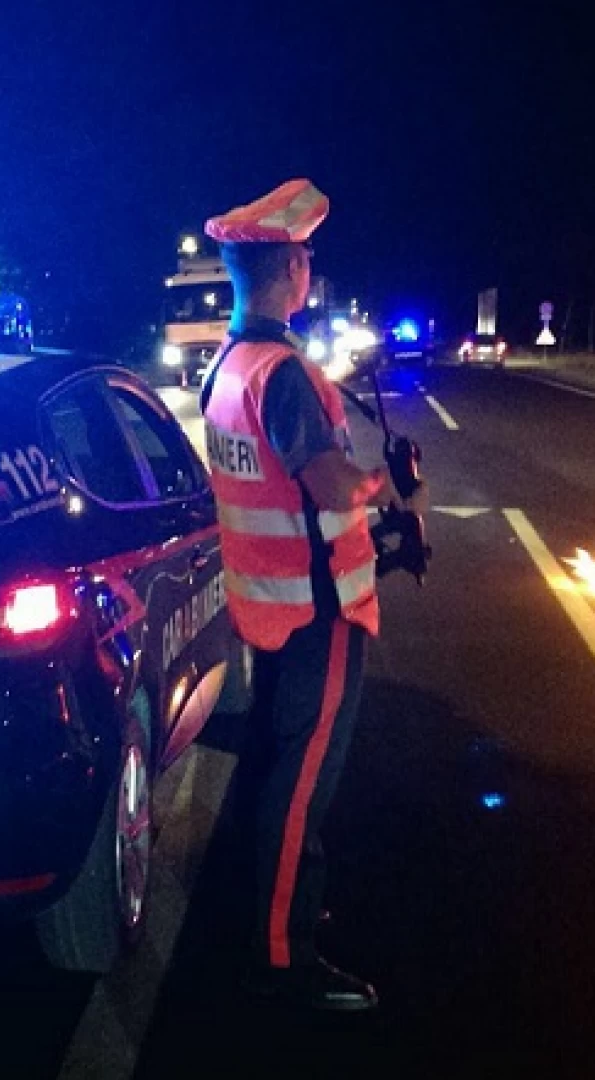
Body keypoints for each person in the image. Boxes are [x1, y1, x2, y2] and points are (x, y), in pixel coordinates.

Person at [199, 179, 419, 1012]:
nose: (309, 271)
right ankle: (283, 958)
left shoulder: (229, 363)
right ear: (290, 266)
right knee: (302, 784)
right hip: (319, 610)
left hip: (271, 605)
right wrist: (381, 485)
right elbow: (328, 486)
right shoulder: (284, 372)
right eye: (306, 258)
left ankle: (273, 907)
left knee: (273, 766)